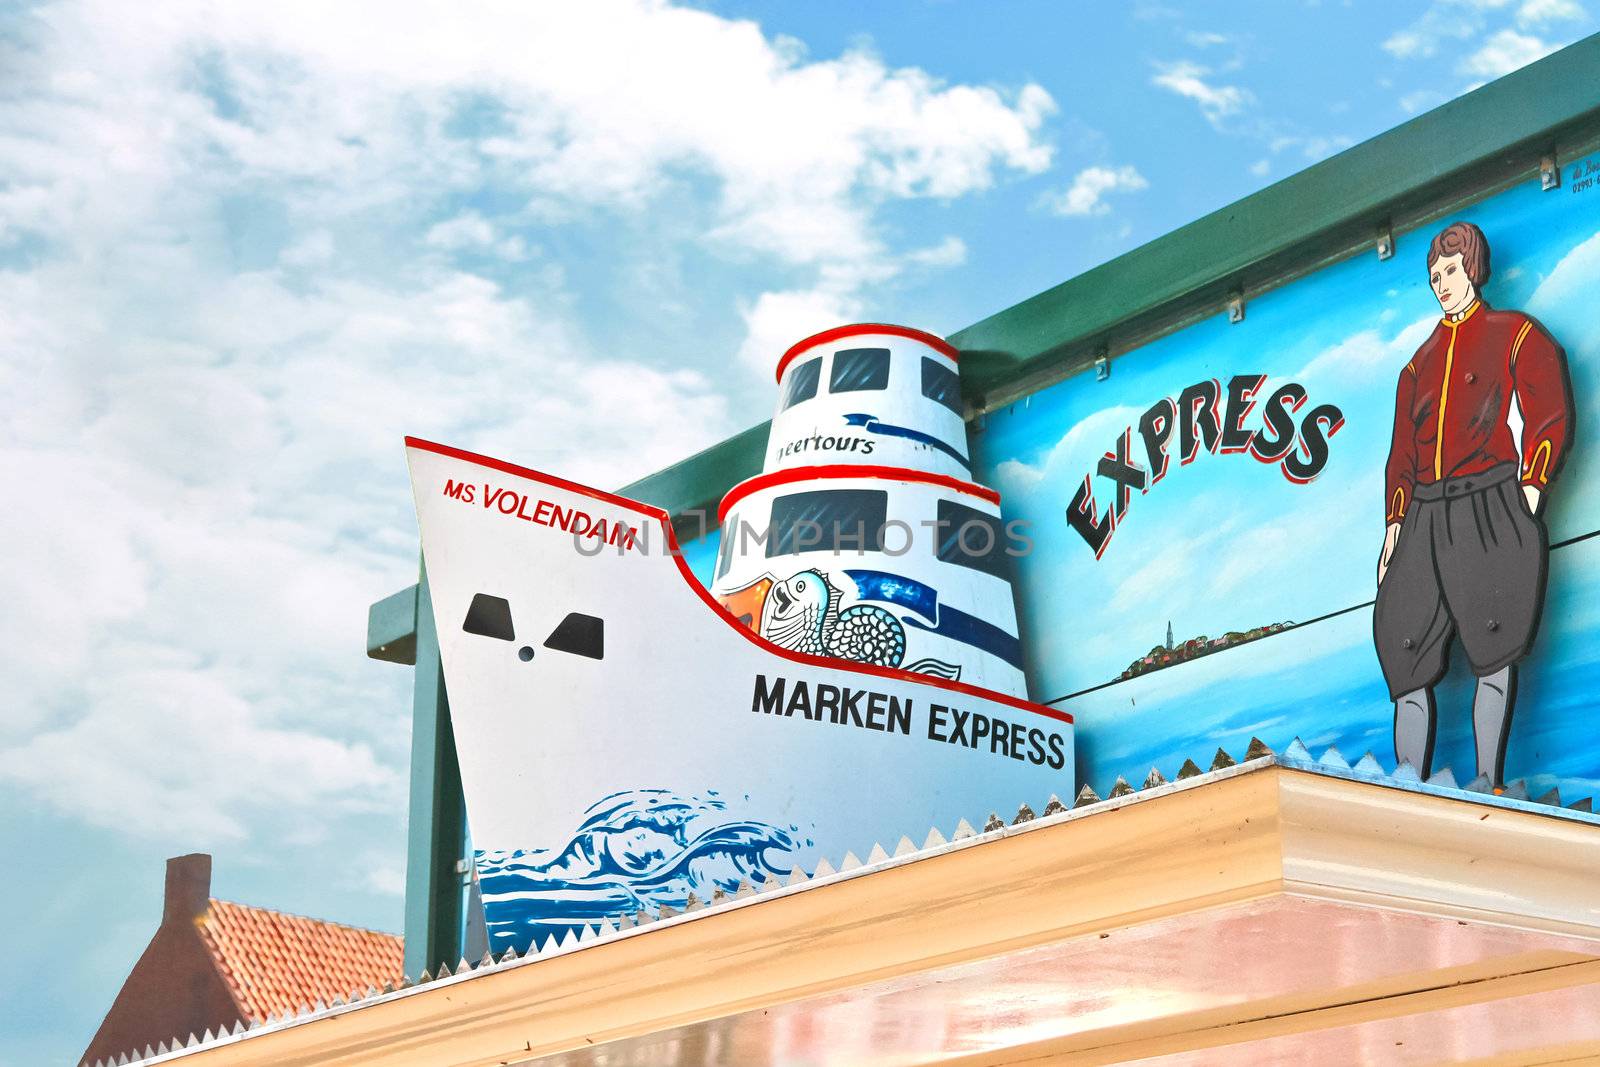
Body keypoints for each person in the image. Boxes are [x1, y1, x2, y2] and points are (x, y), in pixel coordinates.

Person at [1374, 221, 1572, 786]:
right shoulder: (1416, 366)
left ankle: (1489, 777)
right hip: (1424, 518)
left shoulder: (1513, 334)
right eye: (1434, 275)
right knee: (1403, 638)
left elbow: (1549, 409)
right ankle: (1409, 779)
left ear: (1474, 270)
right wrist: (1394, 526)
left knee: (1496, 634)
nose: (1442, 284)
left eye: (1451, 272)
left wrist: (1531, 487)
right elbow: (1402, 455)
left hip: (1490, 500)